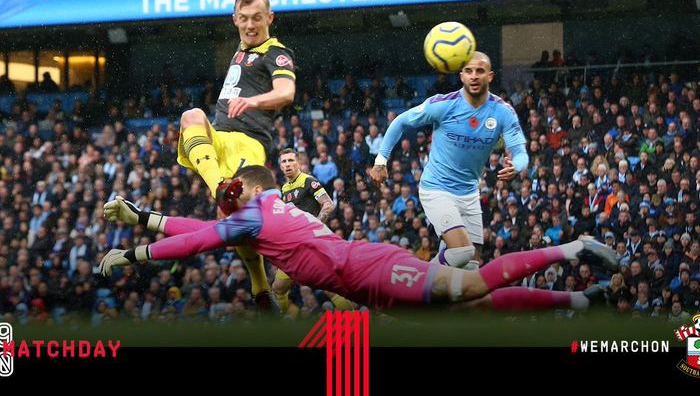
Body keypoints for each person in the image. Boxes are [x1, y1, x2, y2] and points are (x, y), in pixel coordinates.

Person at [100, 166, 614, 312]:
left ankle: (575, 248)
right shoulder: (268, 214)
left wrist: (132, 252)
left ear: (253, 188)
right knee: (473, 309)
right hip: (363, 285)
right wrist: (144, 217)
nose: (228, 191)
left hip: (368, 268)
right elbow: (200, 232)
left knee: (473, 288)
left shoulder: (254, 216)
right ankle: (580, 300)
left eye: (236, 183)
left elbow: (196, 241)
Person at [174, 0, 296, 306]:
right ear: (234, 20)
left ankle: (262, 287)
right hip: (222, 135)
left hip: (249, 142)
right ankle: (219, 187)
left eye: (257, 18)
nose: (250, 25)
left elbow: (286, 92)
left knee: (236, 217)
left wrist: (253, 101)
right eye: (243, 19)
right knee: (191, 115)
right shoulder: (241, 49)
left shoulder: (276, 53)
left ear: (270, 18)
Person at [370, 52, 528, 270]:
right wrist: (380, 161)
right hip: (437, 189)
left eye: (480, 71)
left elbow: (520, 153)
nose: (474, 76)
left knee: (471, 264)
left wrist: (516, 166)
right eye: (469, 71)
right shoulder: (443, 104)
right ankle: (420, 280)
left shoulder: (503, 112)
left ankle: (441, 298)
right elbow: (400, 121)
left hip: (469, 193)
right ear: (461, 75)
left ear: (490, 76)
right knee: (462, 251)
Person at [274, 147, 344, 313]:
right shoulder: (284, 189)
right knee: (278, 288)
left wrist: (315, 225)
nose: (288, 164)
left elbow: (328, 204)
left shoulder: (308, 181)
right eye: (284, 161)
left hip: (310, 243)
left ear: (298, 163)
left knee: (329, 288)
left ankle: (354, 320)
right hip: (292, 246)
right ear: (280, 167)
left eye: (291, 160)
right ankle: (291, 318)